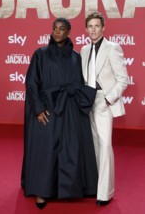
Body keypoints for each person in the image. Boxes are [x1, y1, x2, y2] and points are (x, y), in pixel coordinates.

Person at [21, 17, 98, 210]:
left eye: (62, 29)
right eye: (55, 28)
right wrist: (38, 109)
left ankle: (68, 189)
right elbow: (31, 83)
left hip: (69, 110)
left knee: (68, 150)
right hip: (47, 109)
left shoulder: (76, 57)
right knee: (45, 151)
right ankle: (41, 192)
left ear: (68, 32)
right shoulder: (40, 54)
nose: (57, 32)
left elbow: (80, 82)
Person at [80, 12, 128, 206]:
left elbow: (122, 80)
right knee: (94, 147)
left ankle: (105, 193)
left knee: (105, 146)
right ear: (86, 29)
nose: (93, 29)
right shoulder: (83, 50)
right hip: (87, 102)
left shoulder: (113, 48)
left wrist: (107, 100)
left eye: (96, 26)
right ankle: (95, 187)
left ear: (103, 28)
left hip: (103, 102)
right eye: (90, 26)